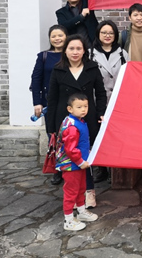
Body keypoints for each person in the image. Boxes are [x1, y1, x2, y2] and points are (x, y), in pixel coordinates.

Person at [47, 34, 107, 208]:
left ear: (84, 51)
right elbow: (52, 99)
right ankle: (73, 194)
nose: (75, 52)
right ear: (65, 51)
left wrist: (101, 113)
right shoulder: (58, 70)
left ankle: (89, 191)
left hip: (88, 118)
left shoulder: (92, 68)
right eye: (71, 48)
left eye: (79, 48)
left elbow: (100, 93)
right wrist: (51, 126)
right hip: (65, 120)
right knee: (70, 156)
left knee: (84, 156)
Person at [90, 20, 129, 184]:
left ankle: (115, 168)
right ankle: (101, 168)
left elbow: (129, 76)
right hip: (97, 99)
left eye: (111, 33)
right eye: (104, 32)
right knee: (98, 133)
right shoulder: (90, 53)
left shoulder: (123, 53)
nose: (107, 36)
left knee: (115, 134)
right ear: (98, 34)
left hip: (118, 100)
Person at [55, 93, 99, 232]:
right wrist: (80, 162)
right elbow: (70, 149)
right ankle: (68, 220)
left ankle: (81, 211)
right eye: (79, 107)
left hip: (79, 163)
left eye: (85, 106)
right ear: (70, 109)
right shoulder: (72, 126)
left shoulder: (80, 121)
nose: (83, 109)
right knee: (71, 192)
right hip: (72, 165)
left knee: (81, 189)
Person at [31, 24, 67, 125]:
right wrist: (37, 102)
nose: (57, 39)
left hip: (70, 100)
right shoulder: (43, 56)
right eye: (53, 36)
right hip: (49, 100)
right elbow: (36, 79)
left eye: (60, 35)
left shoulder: (73, 55)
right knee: (52, 131)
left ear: (66, 37)